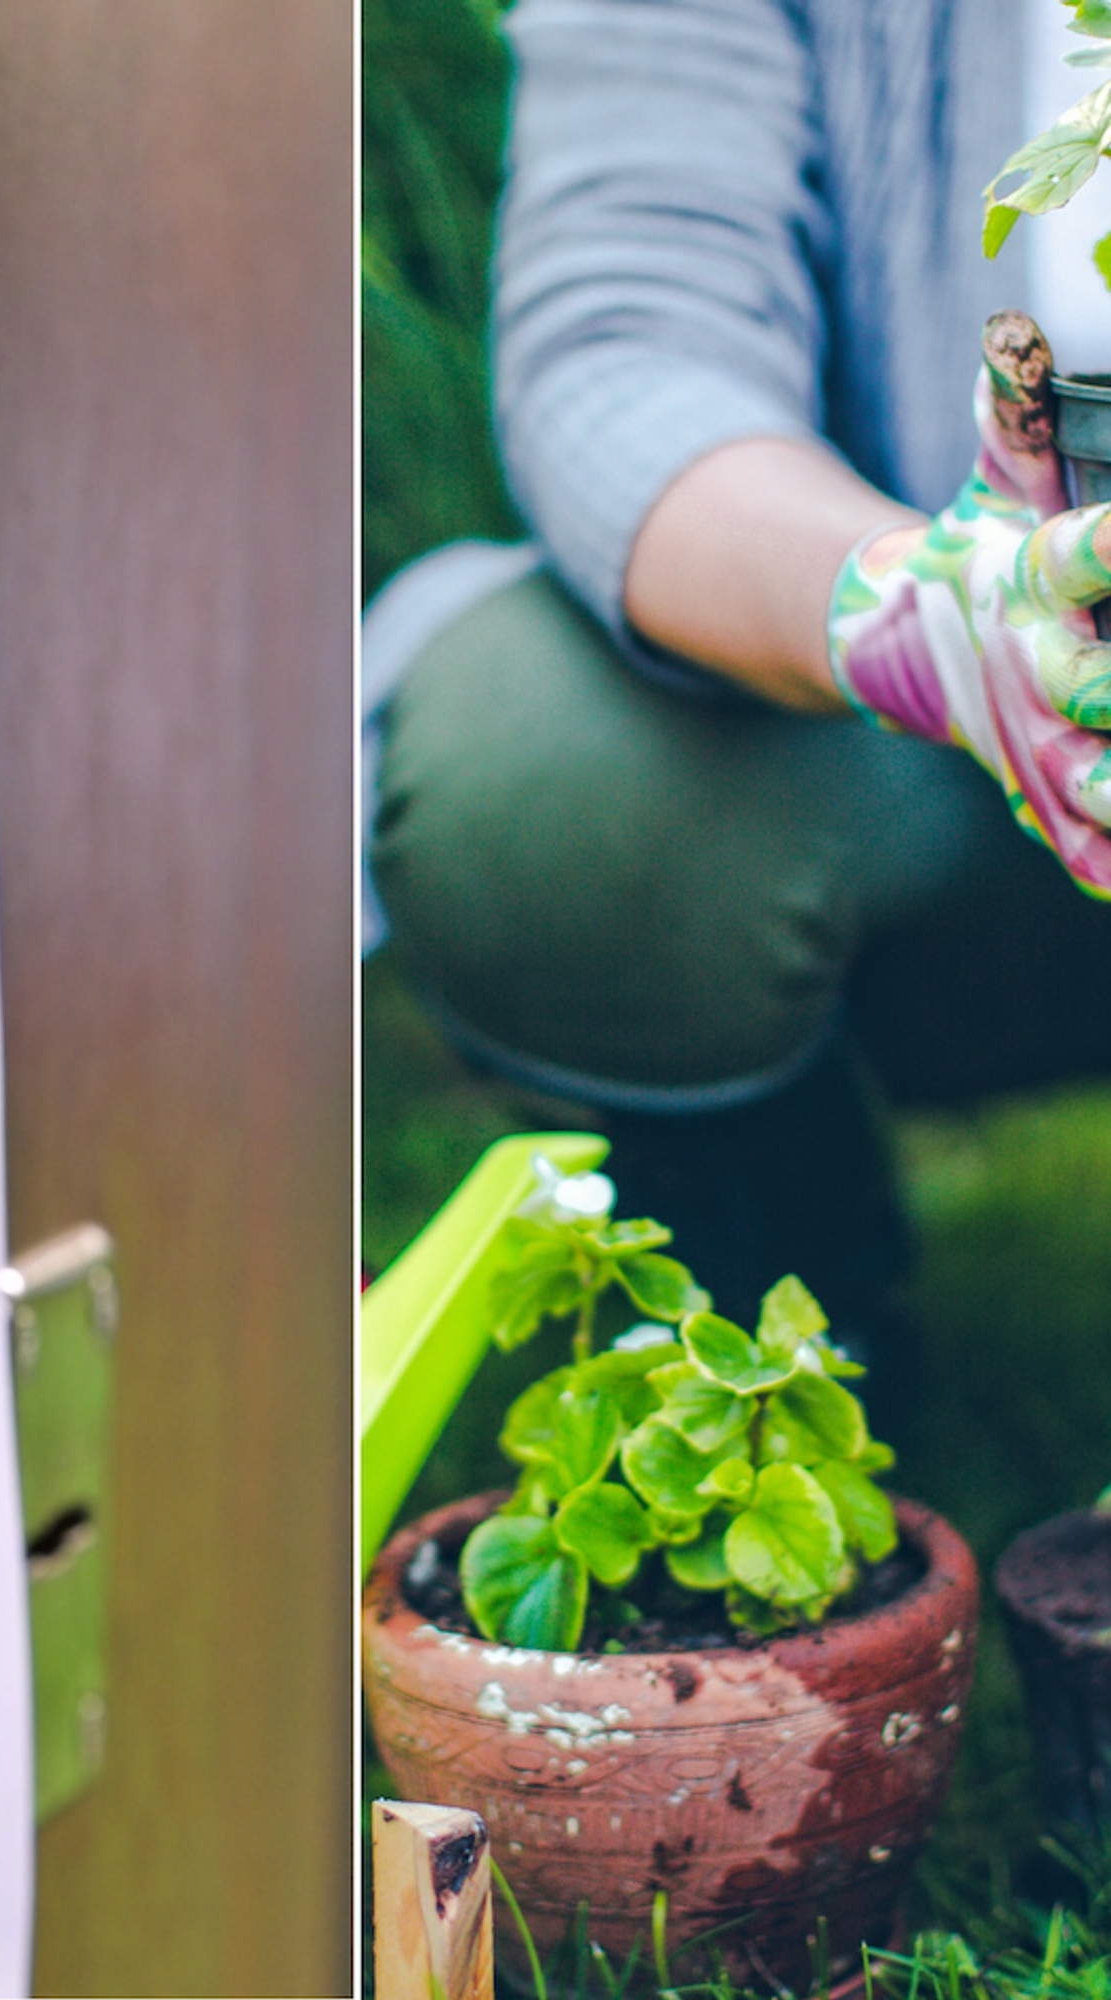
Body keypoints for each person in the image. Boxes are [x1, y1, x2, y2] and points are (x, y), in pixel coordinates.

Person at [363, 0, 1111, 1397]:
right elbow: (631, 350)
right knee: (538, 763)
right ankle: (782, 1293)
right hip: (998, 754)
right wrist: (932, 617)